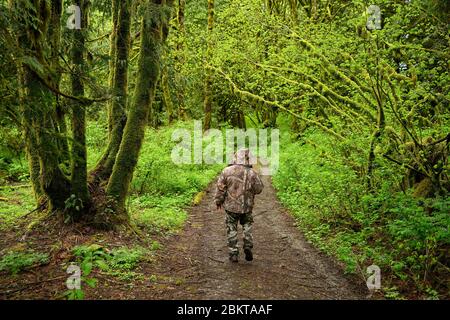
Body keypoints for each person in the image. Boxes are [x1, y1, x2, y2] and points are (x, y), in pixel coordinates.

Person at [214, 149, 264, 262]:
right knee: (247, 225)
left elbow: (221, 188)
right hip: (247, 206)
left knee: (231, 228)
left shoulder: (226, 171)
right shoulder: (252, 172)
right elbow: (259, 189)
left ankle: (233, 253)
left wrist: (218, 201)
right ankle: (247, 246)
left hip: (230, 207)